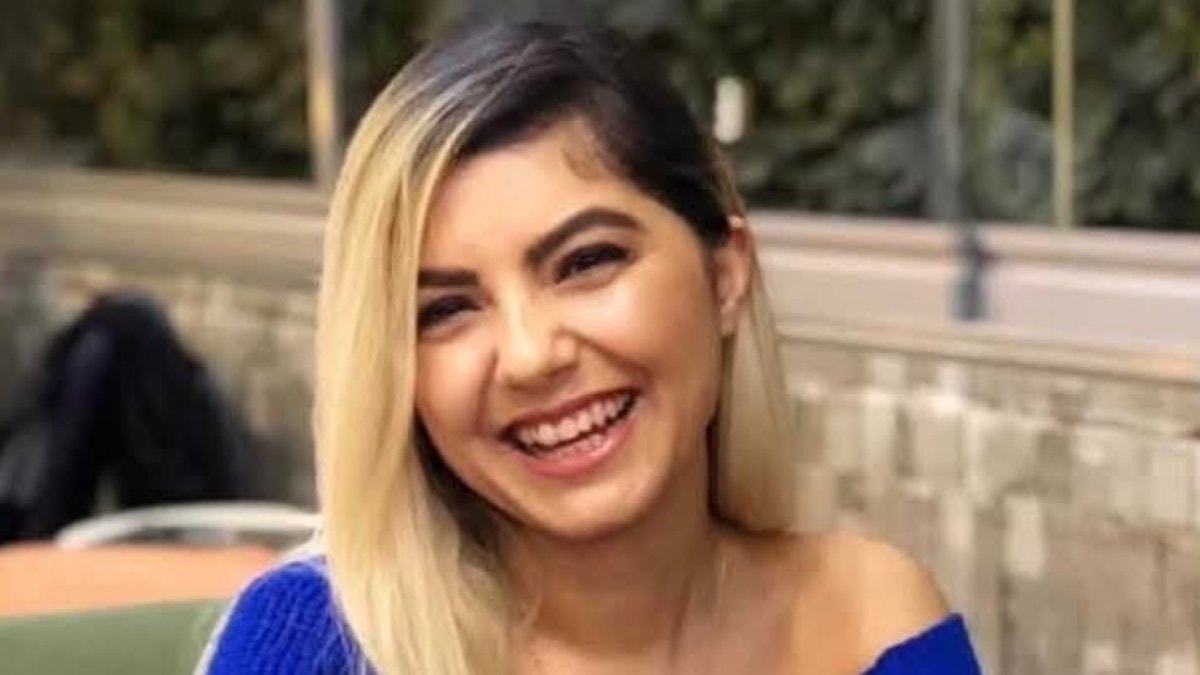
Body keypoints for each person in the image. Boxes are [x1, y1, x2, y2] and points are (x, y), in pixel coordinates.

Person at [202, 21, 982, 675]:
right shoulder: (314, 644)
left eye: (586, 262)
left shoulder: (874, 621)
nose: (530, 354)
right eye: (446, 309)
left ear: (724, 275)